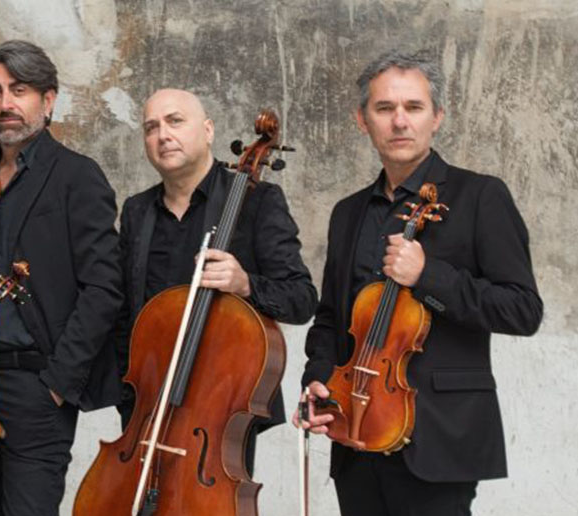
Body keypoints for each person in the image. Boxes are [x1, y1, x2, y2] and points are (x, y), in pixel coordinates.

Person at [295, 50, 543, 516]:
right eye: (384, 108)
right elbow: (330, 318)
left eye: (413, 107)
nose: (399, 121)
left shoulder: (480, 196)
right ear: (362, 120)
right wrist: (318, 379)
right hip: (357, 434)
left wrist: (428, 276)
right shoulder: (348, 212)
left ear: (437, 117)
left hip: (440, 438)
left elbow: (522, 310)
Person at [0, 40, 124, 516]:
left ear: (48, 101)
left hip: (37, 384)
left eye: (19, 90)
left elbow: (104, 287)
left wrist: (58, 383)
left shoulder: (77, 176)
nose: (5, 103)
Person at [115, 88, 318, 473]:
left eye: (175, 121)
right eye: (151, 127)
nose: (163, 135)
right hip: (147, 404)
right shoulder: (137, 211)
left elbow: (302, 299)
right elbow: (125, 312)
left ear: (207, 130)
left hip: (223, 407)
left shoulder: (258, 200)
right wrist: (127, 393)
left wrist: (246, 284)